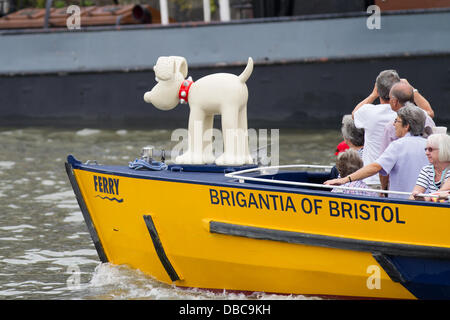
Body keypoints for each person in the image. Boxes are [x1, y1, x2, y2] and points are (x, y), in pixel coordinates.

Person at [325, 105, 428, 199]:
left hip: (401, 203)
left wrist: (344, 180)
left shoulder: (398, 146)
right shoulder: (429, 145)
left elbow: (375, 167)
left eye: (397, 121)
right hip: (426, 202)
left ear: (407, 126)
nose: (393, 124)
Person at [351, 70, 400, 188]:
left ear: (378, 89)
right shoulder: (406, 113)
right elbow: (429, 113)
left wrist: (373, 94)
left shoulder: (369, 112)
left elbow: (354, 114)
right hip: (399, 179)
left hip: (372, 178)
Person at [410, 134, 450, 200]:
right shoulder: (426, 170)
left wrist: (424, 199)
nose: (426, 153)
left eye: (430, 149)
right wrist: (416, 197)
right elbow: (412, 197)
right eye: (426, 149)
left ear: (443, 150)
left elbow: (442, 192)